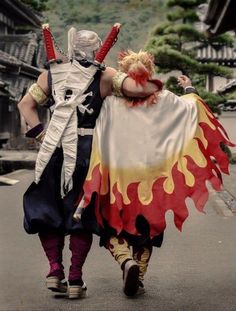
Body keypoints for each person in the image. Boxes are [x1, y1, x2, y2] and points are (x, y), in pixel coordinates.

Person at [77, 50, 234, 297]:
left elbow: (95, 129)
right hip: (154, 175)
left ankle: (124, 260)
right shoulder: (165, 98)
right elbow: (192, 109)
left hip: (120, 175)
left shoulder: (111, 102)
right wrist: (190, 89)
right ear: (149, 72)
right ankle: (138, 271)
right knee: (148, 224)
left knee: (111, 222)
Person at [17, 29, 162, 299]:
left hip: (52, 151)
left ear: (71, 48)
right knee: (80, 213)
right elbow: (139, 90)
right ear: (96, 49)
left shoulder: (49, 75)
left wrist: (41, 135)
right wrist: (151, 80)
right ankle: (75, 279)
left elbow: (25, 105)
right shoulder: (105, 76)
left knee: (48, 208)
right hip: (86, 152)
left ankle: (54, 270)